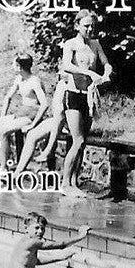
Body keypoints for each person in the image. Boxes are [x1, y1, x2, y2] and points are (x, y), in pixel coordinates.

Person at [13, 11, 111, 194]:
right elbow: (67, 65)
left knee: (82, 143)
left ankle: (74, 181)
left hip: (88, 96)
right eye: (86, 26)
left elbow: (105, 62)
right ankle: (65, 184)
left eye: (92, 26)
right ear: (77, 26)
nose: (90, 29)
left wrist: (106, 72)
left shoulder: (96, 44)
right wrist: (88, 73)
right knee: (78, 139)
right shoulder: (71, 44)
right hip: (73, 95)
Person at [0, 54, 48, 172]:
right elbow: (8, 97)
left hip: (30, 115)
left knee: (2, 132)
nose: (12, 66)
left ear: (20, 67)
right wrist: (2, 118)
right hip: (20, 112)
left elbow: (44, 104)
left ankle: (3, 169)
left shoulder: (34, 81)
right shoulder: (19, 79)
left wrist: (33, 125)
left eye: (14, 64)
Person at [2, 213, 89, 268]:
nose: (40, 231)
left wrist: (61, 257)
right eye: (37, 228)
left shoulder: (24, 241)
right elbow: (61, 245)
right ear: (26, 228)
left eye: (42, 229)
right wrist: (81, 236)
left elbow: (34, 261)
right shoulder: (34, 242)